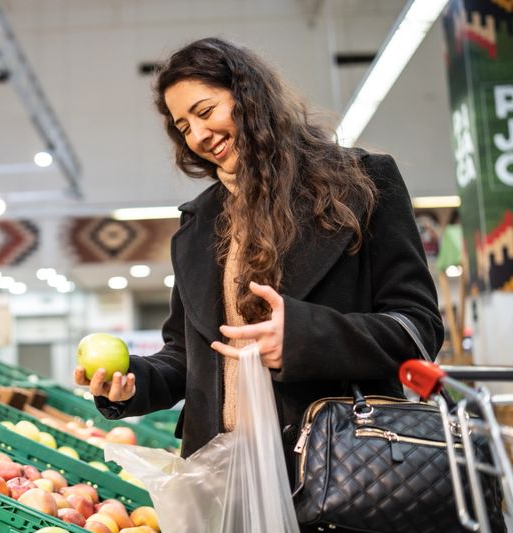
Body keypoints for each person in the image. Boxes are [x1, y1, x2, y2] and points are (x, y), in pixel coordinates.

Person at [74, 37, 443, 485]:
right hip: (224, 476)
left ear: (248, 95)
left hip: (339, 468)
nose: (199, 136)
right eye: (183, 126)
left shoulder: (363, 184)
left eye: (205, 112)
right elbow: (185, 358)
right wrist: (132, 381)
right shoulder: (197, 227)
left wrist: (305, 337)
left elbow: (417, 327)